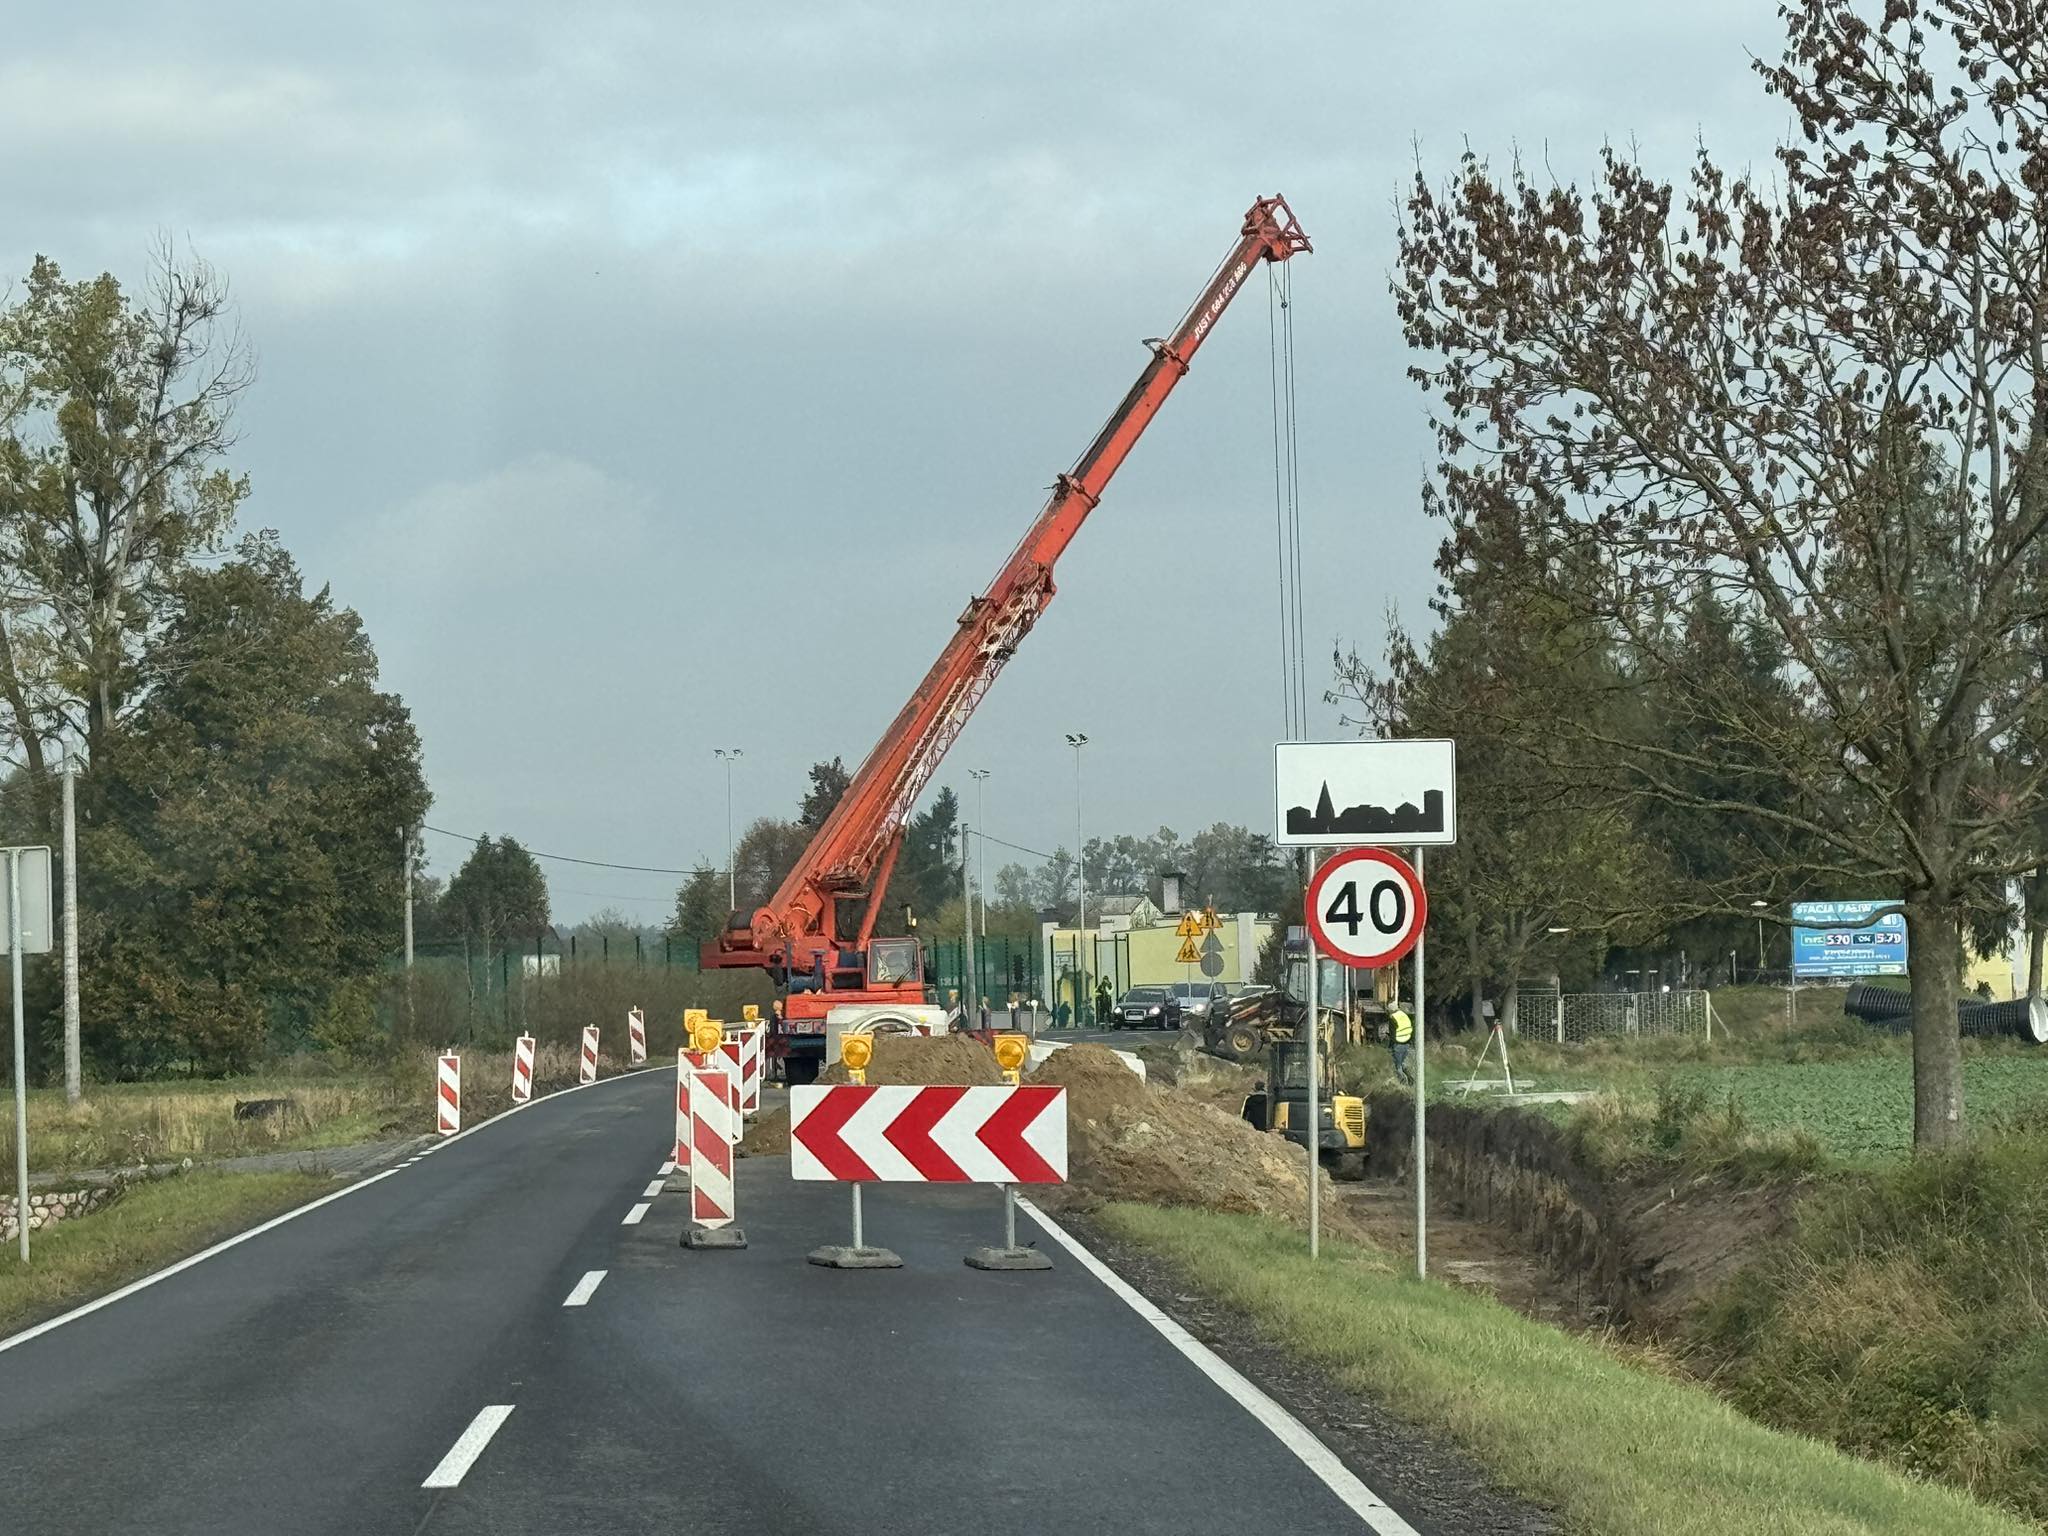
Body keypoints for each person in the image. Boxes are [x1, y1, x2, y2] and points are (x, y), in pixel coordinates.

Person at [1388, 1003, 1414, 1086]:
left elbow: (1392, 1034)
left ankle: (1403, 1083)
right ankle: (1411, 1079)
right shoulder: (1403, 1014)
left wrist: (1390, 1045)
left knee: (1398, 1066)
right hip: (1407, 1042)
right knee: (1403, 1063)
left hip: (1398, 1043)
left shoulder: (1392, 1018)